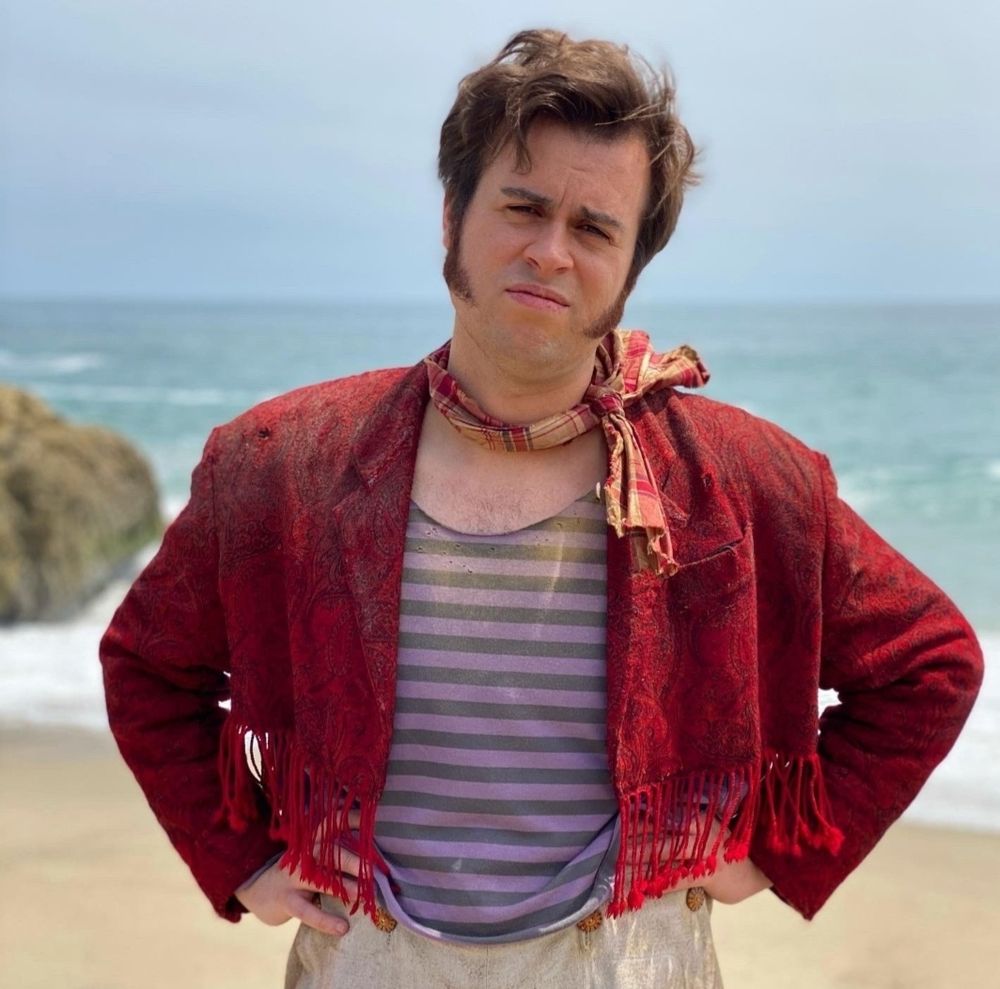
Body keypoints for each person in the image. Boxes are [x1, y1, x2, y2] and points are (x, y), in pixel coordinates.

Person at [100, 28, 983, 989]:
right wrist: (245, 861)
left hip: (629, 956)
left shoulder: (738, 476)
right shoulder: (284, 463)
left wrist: (777, 852)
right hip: (370, 957)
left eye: (595, 228)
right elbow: (147, 667)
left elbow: (931, 664)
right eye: (522, 207)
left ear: (632, 261)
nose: (550, 251)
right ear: (451, 217)